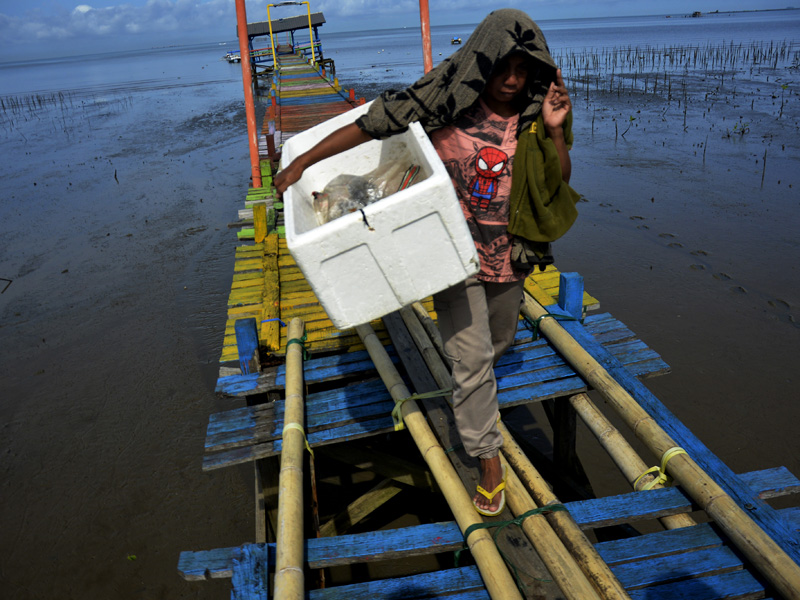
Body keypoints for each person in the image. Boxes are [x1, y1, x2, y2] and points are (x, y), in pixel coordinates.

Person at [275, 8, 578, 516]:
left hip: (508, 254)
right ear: (481, 61)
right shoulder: (443, 101)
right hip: (448, 252)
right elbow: (370, 124)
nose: (510, 79)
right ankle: (487, 457)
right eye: (501, 66)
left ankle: (468, 380)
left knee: (497, 341)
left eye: (522, 69)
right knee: (475, 356)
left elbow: (559, 182)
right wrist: (302, 162)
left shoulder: (533, 115)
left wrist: (553, 131)